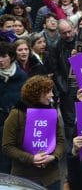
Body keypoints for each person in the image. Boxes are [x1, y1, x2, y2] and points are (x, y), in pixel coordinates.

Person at [1, 75, 64, 190]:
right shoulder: (17, 114)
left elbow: (60, 139)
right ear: (36, 94)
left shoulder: (51, 112)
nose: (52, 95)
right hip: (24, 178)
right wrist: (31, 158)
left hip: (51, 177)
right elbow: (7, 146)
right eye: (48, 92)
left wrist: (54, 157)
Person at [0, 41, 28, 173]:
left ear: (11, 57)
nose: (0, 60)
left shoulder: (22, 77)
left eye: (3, 56)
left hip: (16, 126)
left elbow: (28, 101)